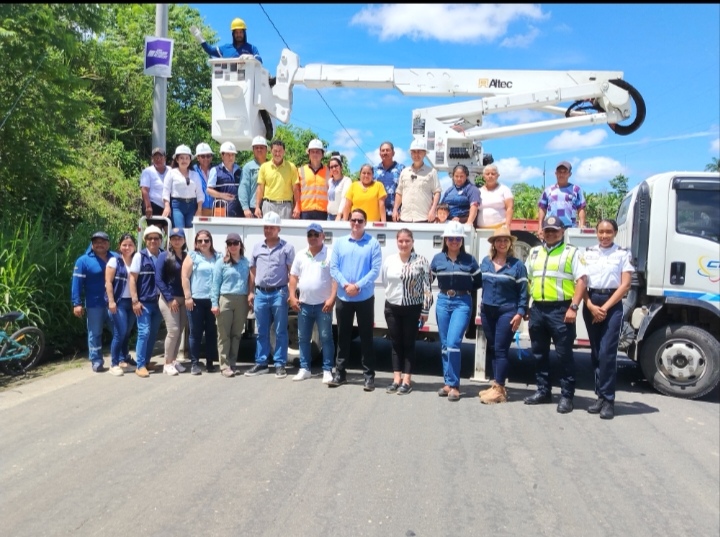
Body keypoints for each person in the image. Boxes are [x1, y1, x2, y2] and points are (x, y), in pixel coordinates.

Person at [523, 216, 588, 414]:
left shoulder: (571, 252)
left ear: (562, 231)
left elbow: (582, 280)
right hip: (538, 309)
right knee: (539, 353)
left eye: (554, 230)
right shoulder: (534, 252)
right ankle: (543, 391)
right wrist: (526, 305)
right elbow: (527, 280)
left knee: (564, 355)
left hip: (561, 310)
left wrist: (573, 307)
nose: (550, 233)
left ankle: (567, 396)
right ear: (542, 232)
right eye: (547, 230)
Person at [581, 219, 634, 420]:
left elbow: (625, 285)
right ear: (596, 233)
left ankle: (609, 400)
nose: (604, 236)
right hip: (591, 301)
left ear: (615, 233)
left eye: (608, 232)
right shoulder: (588, 253)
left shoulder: (622, 254)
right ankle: (600, 397)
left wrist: (604, 308)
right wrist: (590, 305)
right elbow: (581, 281)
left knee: (607, 353)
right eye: (601, 232)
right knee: (596, 352)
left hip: (612, 304)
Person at [328, 208, 382, 391]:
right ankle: (340, 374)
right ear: (349, 221)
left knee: (367, 337)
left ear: (365, 223)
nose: (356, 223)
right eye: (353, 220)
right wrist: (345, 285)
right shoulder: (340, 243)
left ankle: (369, 377)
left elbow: (375, 270)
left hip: (364, 297)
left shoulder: (373, 243)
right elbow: (334, 268)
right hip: (344, 296)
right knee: (342, 337)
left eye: (360, 220)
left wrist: (357, 286)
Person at [430, 221, 483, 401]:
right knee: (445, 345)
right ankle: (448, 383)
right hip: (443, 301)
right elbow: (428, 280)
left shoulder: (470, 260)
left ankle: (454, 385)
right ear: (445, 240)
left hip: (462, 302)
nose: (454, 241)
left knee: (453, 343)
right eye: (451, 238)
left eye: (457, 238)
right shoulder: (438, 259)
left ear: (462, 241)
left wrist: (464, 290)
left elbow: (478, 282)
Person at [477, 227, 528, 404]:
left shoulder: (517, 265)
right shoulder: (485, 262)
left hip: (507, 311)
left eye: (506, 240)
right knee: (493, 348)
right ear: (493, 244)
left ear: (510, 244)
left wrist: (520, 313)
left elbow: (523, 291)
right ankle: (496, 385)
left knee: (501, 349)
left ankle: (499, 389)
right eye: (499, 240)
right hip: (487, 311)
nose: (502, 243)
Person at [382, 229, 433, 395]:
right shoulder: (390, 260)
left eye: (407, 241)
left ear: (412, 242)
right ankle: (396, 379)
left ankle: (407, 380)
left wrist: (425, 309)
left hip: (412, 308)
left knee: (408, 343)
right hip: (392, 307)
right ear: (396, 242)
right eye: (401, 241)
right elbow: (385, 281)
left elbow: (427, 287)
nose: (404, 244)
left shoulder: (421, 261)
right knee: (396, 343)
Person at [245, 212, 295, 378]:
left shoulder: (287, 248)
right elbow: (253, 271)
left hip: (279, 293)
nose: (268, 230)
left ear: (278, 228)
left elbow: (292, 272)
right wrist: (250, 291)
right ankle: (261, 363)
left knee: (280, 330)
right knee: (261, 330)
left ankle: (280, 364)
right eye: (266, 227)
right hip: (260, 293)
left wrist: (291, 293)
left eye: (271, 227)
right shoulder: (257, 247)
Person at [288, 223, 337, 383]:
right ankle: (305, 369)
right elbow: (293, 277)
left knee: (326, 338)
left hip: (323, 305)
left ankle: (327, 370)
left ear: (323, 236)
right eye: (310, 235)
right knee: (303, 338)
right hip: (304, 304)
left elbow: (335, 278)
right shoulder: (301, 254)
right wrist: (292, 296)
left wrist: (332, 298)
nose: (313, 237)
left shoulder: (330, 254)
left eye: (316, 234)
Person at [71, 231, 116, 372]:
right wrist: (77, 303)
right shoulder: (83, 261)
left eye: (103, 242)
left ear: (108, 244)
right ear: (92, 244)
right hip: (94, 304)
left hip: (114, 303)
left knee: (119, 331)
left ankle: (120, 358)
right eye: (96, 242)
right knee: (95, 333)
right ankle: (96, 361)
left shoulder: (115, 257)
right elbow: (76, 283)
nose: (99, 244)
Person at [181, 229, 222, 375]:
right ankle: (194, 363)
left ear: (211, 241)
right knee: (195, 333)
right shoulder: (192, 256)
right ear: (196, 243)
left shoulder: (218, 256)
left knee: (212, 332)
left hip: (213, 300)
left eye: (206, 240)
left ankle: (210, 362)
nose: (203, 243)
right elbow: (185, 277)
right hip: (196, 300)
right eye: (200, 241)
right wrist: (188, 297)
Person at [211, 232, 251, 378]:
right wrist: (214, 303)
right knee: (224, 334)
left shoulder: (246, 262)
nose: (233, 246)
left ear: (241, 245)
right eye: (229, 243)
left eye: (235, 243)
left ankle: (233, 363)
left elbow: (250, 281)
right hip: (225, 299)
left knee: (236, 334)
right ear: (227, 246)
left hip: (242, 300)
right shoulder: (221, 263)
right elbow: (215, 284)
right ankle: (224, 365)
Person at [129, 225, 165, 378]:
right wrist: (135, 301)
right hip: (144, 302)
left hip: (159, 302)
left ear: (160, 240)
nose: (153, 241)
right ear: (145, 240)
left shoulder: (164, 255)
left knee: (153, 333)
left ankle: (147, 361)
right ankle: (140, 365)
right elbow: (132, 279)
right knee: (144, 332)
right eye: (150, 238)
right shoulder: (139, 256)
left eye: (156, 238)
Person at [156, 227, 189, 376]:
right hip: (169, 299)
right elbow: (158, 279)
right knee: (173, 330)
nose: (176, 241)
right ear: (169, 240)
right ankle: (167, 363)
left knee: (180, 331)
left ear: (184, 240)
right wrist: (169, 299)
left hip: (183, 299)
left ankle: (174, 360)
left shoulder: (187, 256)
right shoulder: (164, 256)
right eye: (174, 238)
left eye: (179, 238)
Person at [105, 233, 138, 377]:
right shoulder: (114, 261)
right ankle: (114, 364)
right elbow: (108, 282)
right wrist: (111, 301)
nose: (127, 247)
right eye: (124, 245)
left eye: (130, 245)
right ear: (119, 246)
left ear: (134, 246)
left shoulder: (137, 260)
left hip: (132, 303)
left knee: (126, 332)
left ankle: (124, 359)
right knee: (120, 332)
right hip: (118, 302)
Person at [393, 139, 441, 223]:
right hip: (405, 217)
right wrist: (395, 209)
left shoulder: (432, 172)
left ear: (425, 153)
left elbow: (437, 192)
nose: (416, 154)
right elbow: (399, 193)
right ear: (411, 154)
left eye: (419, 152)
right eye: (414, 152)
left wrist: (433, 210)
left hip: (424, 217)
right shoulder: (404, 172)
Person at [255, 140, 298, 220]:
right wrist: (257, 207)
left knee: (284, 228)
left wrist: (297, 206)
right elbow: (260, 188)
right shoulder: (264, 167)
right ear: (271, 151)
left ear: (284, 152)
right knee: (268, 228)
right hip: (268, 205)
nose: (277, 154)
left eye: (280, 151)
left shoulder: (291, 167)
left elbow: (296, 189)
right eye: (275, 151)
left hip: (286, 206)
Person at [162, 145, 204, 229]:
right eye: (181, 158)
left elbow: (199, 192)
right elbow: (166, 191)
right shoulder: (171, 173)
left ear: (190, 160)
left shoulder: (195, 175)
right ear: (177, 159)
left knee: (191, 231)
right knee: (179, 230)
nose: (184, 160)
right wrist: (167, 206)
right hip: (177, 206)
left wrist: (199, 209)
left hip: (192, 206)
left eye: (187, 158)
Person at [537, 160, 586, 230]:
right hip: (552, 227)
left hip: (570, 228)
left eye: (565, 172)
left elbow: (581, 208)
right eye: (559, 172)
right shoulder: (548, 190)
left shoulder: (576, 189)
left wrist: (582, 225)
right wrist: (540, 227)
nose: (561, 174)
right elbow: (542, 208)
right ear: (555, 173)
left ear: (570, 174)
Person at [190, 18, 262, 62]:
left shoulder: (251, 48)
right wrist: (200, 38)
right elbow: (210, 50)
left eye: (240, 32)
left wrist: (251, 58)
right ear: (233, 34)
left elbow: (259, 60)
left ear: (244, 33)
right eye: (236, 32)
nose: (238, 35)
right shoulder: (225, 48)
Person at [295, 139, 329, 220]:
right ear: (309, 154)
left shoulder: (329, 172)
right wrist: (297, 207)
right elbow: (297, 191)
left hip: (323, 211)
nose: (315, 154)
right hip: (305, 211)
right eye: (312, 152)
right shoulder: (300, 170)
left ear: (322, 154)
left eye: (317, 152)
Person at [207, 141, 242, 218]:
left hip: (238, 210)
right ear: (222, 156)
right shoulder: (215, 170)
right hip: (221, 210)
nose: (231, 157)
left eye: (233, 154)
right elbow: (209, 190)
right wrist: (221, 195)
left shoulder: (240, 171)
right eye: (228, 154)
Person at [373, 141, 405, 222]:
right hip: (378, 213)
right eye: (383, 150)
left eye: (387, 150)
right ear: (380, 153)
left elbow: (405, 190)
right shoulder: (374, 170)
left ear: (393, 153)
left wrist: (398, 210)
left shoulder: (401, 169)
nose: (385, 153)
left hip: (397, 213)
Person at [477, 164, 514, 229]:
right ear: (483, 176)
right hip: (481, 229)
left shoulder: (505, 189)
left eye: (493, 174)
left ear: (498, 176)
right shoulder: (478, 191)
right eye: (487, 174)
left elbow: (510, 208)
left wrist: (507, 225)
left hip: (500, 228)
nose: (490, 176)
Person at [239, 136, 268, 218]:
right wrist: (245, 208)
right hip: (253, 208)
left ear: (266, 149)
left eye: (261, 147)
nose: (259, 150)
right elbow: (243, 188)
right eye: (256, 148)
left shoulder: (271, 166)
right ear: (253, 150)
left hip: (269, 206)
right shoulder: (248, 167)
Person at [140, 147, 169, 219]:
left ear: (165, 158)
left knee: (169, 226)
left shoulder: (170, 170)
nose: (158, 159)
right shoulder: (147, 171)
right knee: (156, 226)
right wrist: (148, 206)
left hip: (167, 205)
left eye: (160, 157)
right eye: (155, 157)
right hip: (153, 204)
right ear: (152, 159)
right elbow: (144, 190)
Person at [326, 154, 351, 220]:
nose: (334, 169)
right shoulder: (330, 181)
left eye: (336, 166)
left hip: (341, 217)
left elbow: (344, 198)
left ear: (341, 167)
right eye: (331, 167)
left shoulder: (347, 180)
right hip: (329, 216)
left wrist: (339, 214)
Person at [193, 142, 215, 217]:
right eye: (203, 156)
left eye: (208, 156)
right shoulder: (192, 171)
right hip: (197, 209)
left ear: (211, 157)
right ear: (197, 158)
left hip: (215, 209)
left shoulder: (216, 170)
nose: (206, 159)